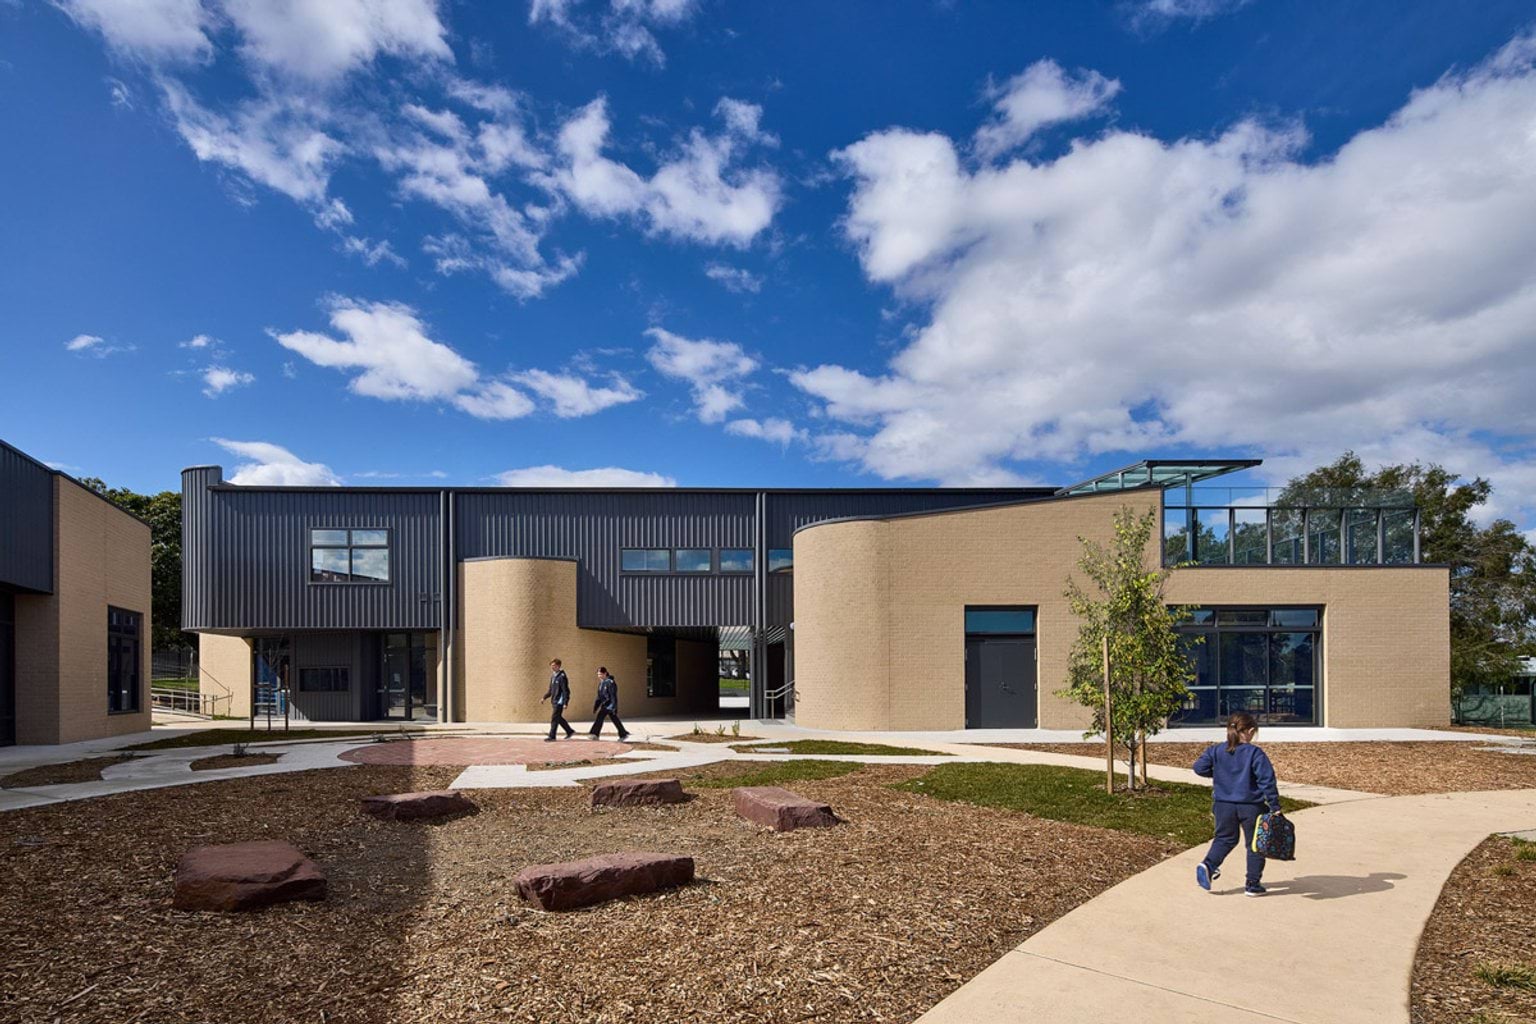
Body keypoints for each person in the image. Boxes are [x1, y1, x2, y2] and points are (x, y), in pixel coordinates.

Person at [1192, 711, 1282, 897]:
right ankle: (1252, 884)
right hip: (1251, 806)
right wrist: (1275, 806)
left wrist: (1218, 774)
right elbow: (1267, 781)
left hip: (1223, 805)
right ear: (1249, 731)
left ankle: (1208, 865)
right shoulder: (1255, 753)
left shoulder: (1216, 750)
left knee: (1225, 839)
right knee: (1255, 844)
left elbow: (1199, 767)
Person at [588, 666, 630, 741]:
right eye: (598, 674)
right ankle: (623, 733)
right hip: (605, 705)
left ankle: (594, 734)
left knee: (600, 718)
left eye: (600, 674)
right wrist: (596, 707)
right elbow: (599, 696)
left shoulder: (610, 682)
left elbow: (613, 695)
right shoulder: (602, 683)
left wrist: (614, 706)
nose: (599, 676)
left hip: (610, 705)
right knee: (613, 719)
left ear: (605, 673)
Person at [542, 658, 574, 741]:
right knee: (558, 718)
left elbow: (565, 690)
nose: (552, 667)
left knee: (554, 718)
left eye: (554, 666)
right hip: (554, 700)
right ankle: (569, 731)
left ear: (559, 666)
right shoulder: (553, 676)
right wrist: (544, 697)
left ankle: (552, 736)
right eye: (551, 666)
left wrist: (565, 702)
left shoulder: (562, 677)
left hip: (559, 701)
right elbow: (551, 690)